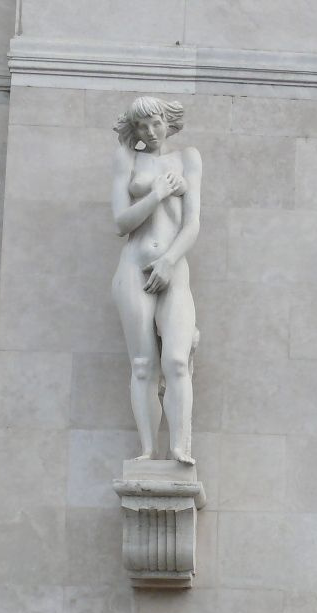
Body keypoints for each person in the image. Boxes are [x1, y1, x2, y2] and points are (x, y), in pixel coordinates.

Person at [111, 96, 201, 465]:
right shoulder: (127, 159)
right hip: (133, 268)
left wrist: (168, 260)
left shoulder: (188, 158)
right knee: (144, 364)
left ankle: (180, 446)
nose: (150, 132)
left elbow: (193, 222)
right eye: (143, 127)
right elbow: (121, 222)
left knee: (177, 361)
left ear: (168, 122)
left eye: (156, 123)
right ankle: (148, 449)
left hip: (173, 268)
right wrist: (157, 193)